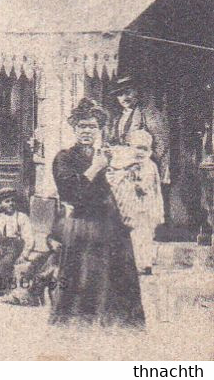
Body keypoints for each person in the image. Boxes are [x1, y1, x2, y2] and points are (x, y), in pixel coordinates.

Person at [50, 98, 145, 328]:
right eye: (82, 126)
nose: (86, 131)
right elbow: (70, 192)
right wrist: (96, 167)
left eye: (92, 126)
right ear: (74, 128)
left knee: (115, 274)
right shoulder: (64, 157)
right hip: (82, 224)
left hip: (110, 223)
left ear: (99, 129)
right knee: (82, 276)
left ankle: (116, 323)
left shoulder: (107, 155)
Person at [112, 76, 170, 224]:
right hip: (127, 168)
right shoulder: (119, 118)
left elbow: (161, 142)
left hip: (147, 167)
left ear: (136, 91)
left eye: (128, 92)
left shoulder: (148, 113)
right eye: (120, 94)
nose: (124, 97)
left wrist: (148, 162)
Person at [107, 127, 164, 274]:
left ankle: (145, 263)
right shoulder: (126, 165)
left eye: (144, 149)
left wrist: (137, 181)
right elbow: (116, 182)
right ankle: (130, 261)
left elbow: (147, 186)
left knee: (144, 235)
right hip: (131, 207)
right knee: (130, 235)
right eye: (136, 148)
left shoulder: (150, 166)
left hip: (145, 208)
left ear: (149, 151)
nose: (140, 153)